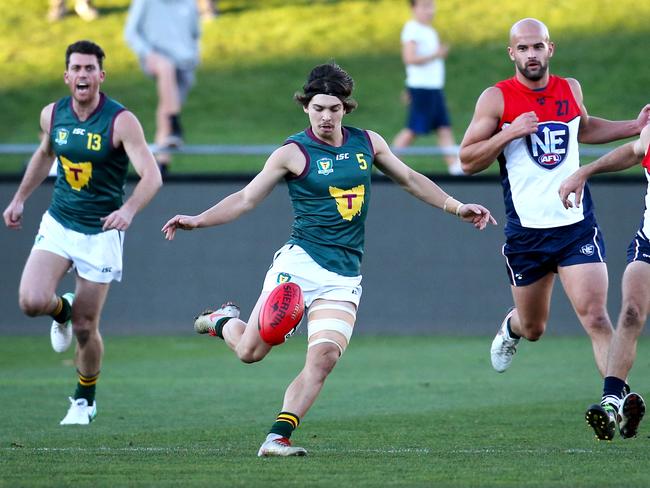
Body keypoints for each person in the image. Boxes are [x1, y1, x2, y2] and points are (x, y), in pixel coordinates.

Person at [162, 63, 497, 456]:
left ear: (345, 109)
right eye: (318, 108)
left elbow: (409, 179)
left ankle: (277, 438)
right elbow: (246, 198)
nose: (326, 116)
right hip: (299, 266)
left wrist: (457, 207)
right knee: (251, 353)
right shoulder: (292, 152)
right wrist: (198, 220)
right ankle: (222, 320)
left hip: (344, 276)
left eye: (334, 109)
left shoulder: (367, 143)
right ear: (306, 107)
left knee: (323, 358)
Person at [458, 18, 650, 379]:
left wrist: (634, 126)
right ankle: (511, 328)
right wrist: (509, 133)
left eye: (538, 46)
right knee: (534, 328)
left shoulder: (569, 88)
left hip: (575, 226)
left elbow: (585, 127)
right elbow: (467, 160)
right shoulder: (496, 97)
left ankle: (615, 400)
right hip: (527, 232)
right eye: (524, 48)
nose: (532, 54)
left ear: (550, 48)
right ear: (511, 52)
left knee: (596, 316)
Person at [2, 40, 162, 425]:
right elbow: (44, 154)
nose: (83, 75)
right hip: (59, 222)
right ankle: (63, 307)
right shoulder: (52, 115)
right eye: (77, 68)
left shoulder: (120, 121)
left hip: (101, 233)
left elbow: (152, 176)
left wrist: (128, 210)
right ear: (67, 75)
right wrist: (20, 198)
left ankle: (84, 399)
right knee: (30, 301)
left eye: (90, 68)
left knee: (86, 328)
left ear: (101, 76)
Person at [559, 126, 650, 440]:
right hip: (648, 243)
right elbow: (635, 150)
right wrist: (587, 170)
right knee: (630, 313)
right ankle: (613, 402)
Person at [124, 0, 201, 177]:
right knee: (166, 68)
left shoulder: (189, 4)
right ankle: (175, 124)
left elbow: (195, 34)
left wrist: (194, 56)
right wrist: (146, 52)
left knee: (166, 106)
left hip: (184, 63)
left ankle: (162, 163)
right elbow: (131, 32)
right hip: (156, 58)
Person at [392, 0, 463, 176]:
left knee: (443, 127)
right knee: (412, 130)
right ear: (413, 8)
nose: (429, 10)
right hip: (422, 88)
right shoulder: (412, 28)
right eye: (424, 6)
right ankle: (389, 164)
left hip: (433, 88)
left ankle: (455, 168)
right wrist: (436, 54)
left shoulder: (430, 31)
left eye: (431, 5)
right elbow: (409, 58)